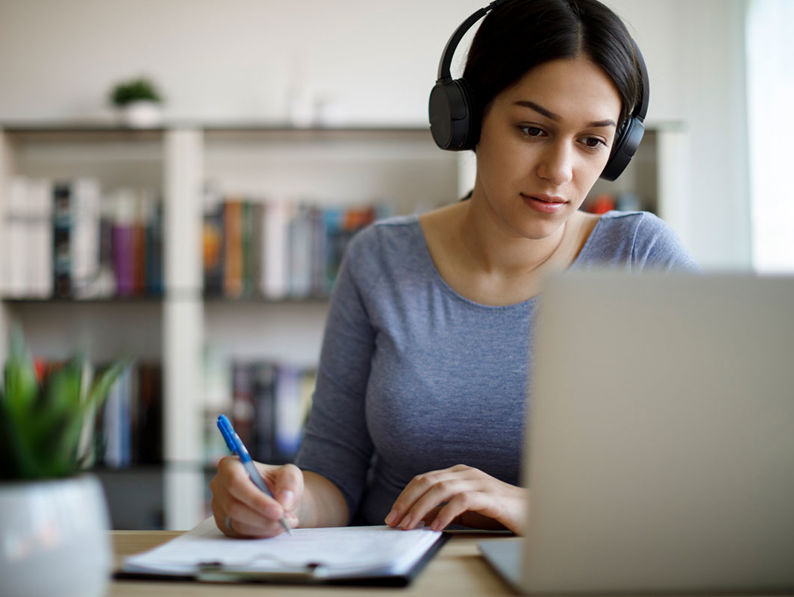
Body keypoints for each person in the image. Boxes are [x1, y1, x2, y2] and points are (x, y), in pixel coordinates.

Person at [209, 0, 698, 539]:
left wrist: (528, 506)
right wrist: (279, 498)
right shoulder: (380, 260)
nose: (560, 170)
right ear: (466, 119)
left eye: (591, 141)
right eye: (533, 129)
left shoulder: (640, 259)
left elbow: (708, 479)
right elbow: (333, 478)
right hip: (397, 576)